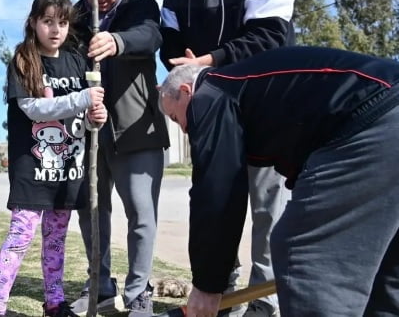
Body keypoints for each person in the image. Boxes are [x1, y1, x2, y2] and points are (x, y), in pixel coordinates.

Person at [158, 46, 399, 317]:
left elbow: (217, 191)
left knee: (303, 252)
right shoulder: (247, 86)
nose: (183, 128)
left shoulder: (211, 92)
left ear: (187, 91)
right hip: (386, 110)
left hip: (374, 119)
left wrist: (207, 286)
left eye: (175, 117)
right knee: (386, 273)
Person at [160, 0, 296, 317]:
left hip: (266, 109)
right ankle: (220, 290)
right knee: (215, 200)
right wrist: (182, 61)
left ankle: (264, 304)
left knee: (266, 208)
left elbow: (271, 40)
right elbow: (169, 41)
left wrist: (209, 60)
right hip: (211, 113)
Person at [0, 0, 107, 317]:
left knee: (56, 240)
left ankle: (54, 301)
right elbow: (35, 109)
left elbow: (83, 119)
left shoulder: (78, 61)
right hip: (31, 172)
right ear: (34, 23)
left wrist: (96, 118)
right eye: (48, 21)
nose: (55, 30)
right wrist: (82, 99)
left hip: (67, 172)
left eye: (62, 22)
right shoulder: (23, 60)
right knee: (20, 237)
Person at [70, 0, 171, 317]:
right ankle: (99, 284)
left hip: (136, 130)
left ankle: (139, 292)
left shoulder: (141, 6)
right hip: (91, 132)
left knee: (141, 215)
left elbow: (150, 37)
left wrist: (117, 41)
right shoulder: (76, 16)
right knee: (92, 212)